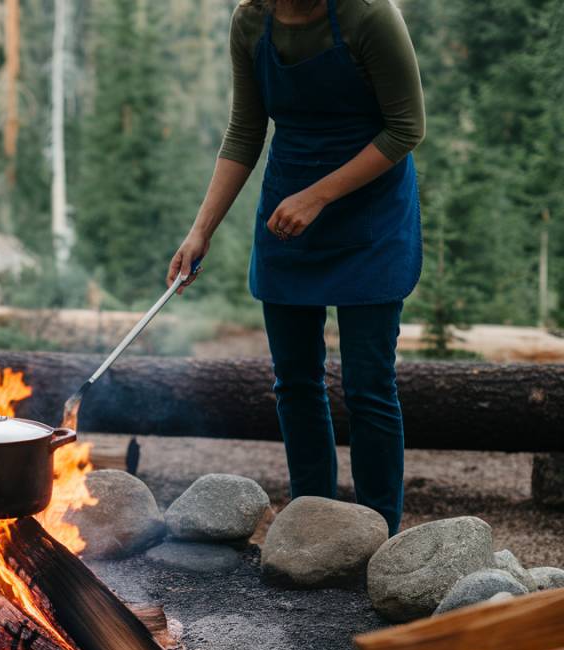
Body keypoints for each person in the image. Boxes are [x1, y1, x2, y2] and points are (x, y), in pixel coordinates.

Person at [168, 0, 425, 535]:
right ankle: (314, 529)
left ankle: (380, 536)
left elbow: (406, 129)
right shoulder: (250, 22)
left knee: (368, 385)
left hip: (370, 216)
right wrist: (201, 230)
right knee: (295, 383)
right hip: (289, 212)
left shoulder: (370, 16)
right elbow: (244, 132)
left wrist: (320, 197)